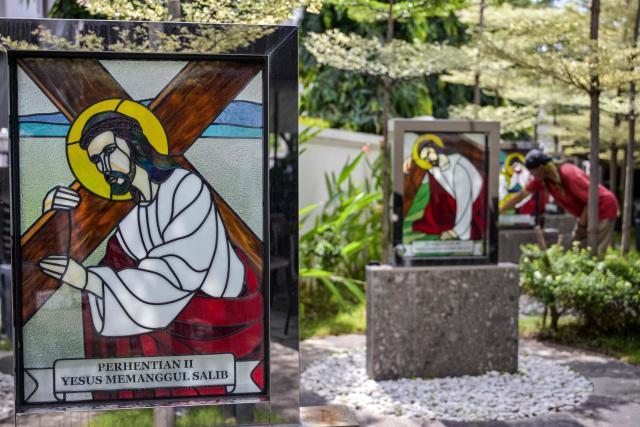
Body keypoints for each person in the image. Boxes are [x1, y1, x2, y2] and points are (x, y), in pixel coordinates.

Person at [37, 109, 263, 398]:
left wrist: (89, 280)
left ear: (134, 144)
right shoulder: (131, 220)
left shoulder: (186, 188)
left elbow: (178, 273)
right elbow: (106, 271)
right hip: (179, 326)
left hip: (220, 323)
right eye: (96, 161)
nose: (104, 166)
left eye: (108, 152)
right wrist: (52, 215)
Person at [499, 149, 619, 254]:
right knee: (576, 246)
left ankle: (598, 274)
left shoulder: (568, 173)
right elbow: (521, 195)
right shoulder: (544, 179)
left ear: (540, 168)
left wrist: (582, 225)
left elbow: (592, 199)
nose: (531, 175)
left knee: (596, 249)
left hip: (602, 208)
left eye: (532, 171)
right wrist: (499, 211)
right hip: (586, 214)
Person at [403, 134, 485, 241]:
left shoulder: (459, 167)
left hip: (473, 205)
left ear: (435, 147)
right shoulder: (435, 166)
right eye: (425, 159)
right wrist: (410, 160)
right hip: (452, 207)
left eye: (428, 153)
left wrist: (456, 232)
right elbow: (426, 178)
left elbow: (464, 202)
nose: (428, 159)